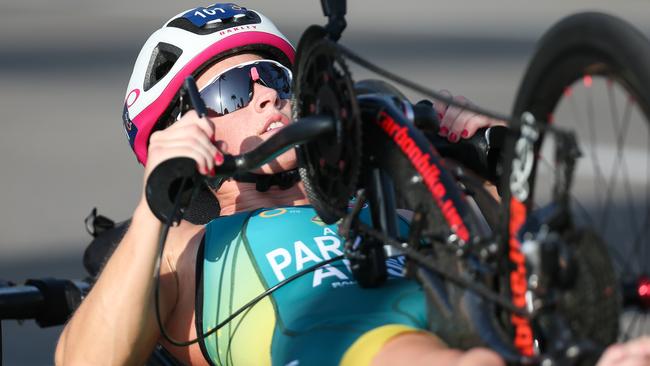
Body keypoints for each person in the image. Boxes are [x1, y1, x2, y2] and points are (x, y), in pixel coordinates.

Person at [55, 3, 650, 366]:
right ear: (181, 126)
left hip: (471, 333)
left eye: (274, 77)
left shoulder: (378, 196)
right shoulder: (180, 247)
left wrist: (492, 171)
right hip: (359, 349)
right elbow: (85, 361)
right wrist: (155, 202)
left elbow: (516, 286)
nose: (267, 94)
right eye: (233, 91)